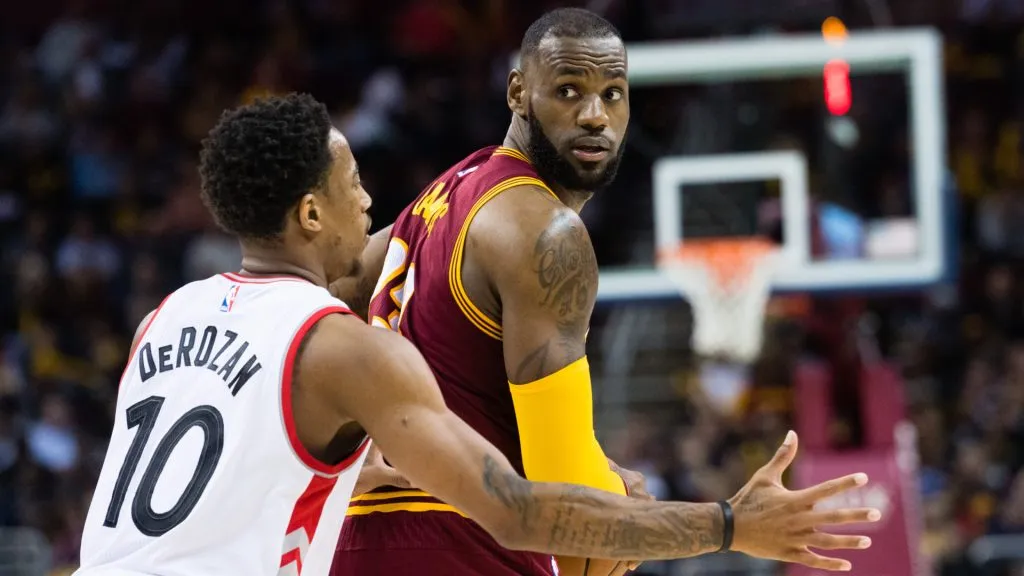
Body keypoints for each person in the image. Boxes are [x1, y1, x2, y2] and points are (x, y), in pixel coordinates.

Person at [74, 94, 877, 576]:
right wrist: (728, 524)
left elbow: (251, 477)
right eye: (354, 186)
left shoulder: (162, 320)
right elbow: (516, 514)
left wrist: (594, 480)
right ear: (311, 213)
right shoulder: (346, 349)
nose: (369, 204)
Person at [333, 8, 877, 576]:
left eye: (612, 94)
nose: (595, 116)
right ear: (518, 92)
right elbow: (570, 525)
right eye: (568, 90)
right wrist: (722, 522)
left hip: (357, 547)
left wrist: (339, 450)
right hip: (462, 551)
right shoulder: (544, 230)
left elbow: (312, 292)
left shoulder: (445, 195)